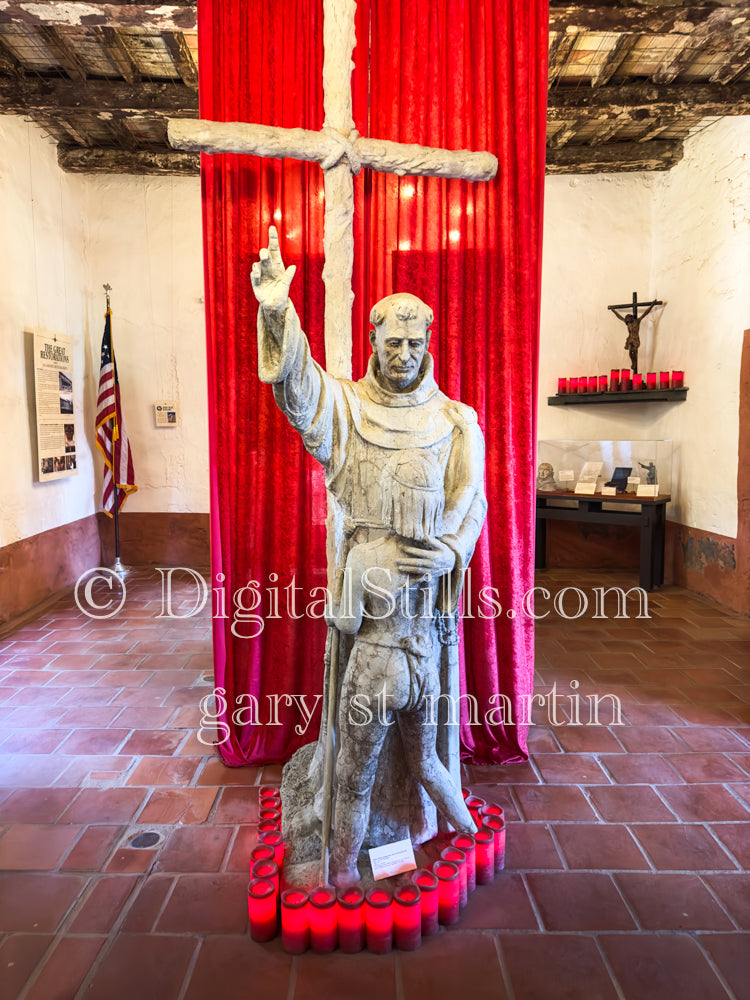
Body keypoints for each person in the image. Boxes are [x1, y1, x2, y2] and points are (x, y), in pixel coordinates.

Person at [250, 226, 486, 871]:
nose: (404, 354)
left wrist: (451, 553)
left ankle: (372, 850)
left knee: (409, 760)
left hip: (423, 615)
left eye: (415, 343)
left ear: (429, 343)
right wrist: (278, 312)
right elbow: (301, 391)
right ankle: (370, 851)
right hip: (383, 627)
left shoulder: (456, 420)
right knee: (364, 764)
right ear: (375, 341)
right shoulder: (348, 407)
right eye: (392, 342)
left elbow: (475, 502)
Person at [329, 449, 477, 885]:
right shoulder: (441, 557)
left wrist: (332, 606)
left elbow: (349, 623)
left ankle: (342, 870)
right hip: (422, 669)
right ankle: (471, 831)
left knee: (354, 777)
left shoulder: (365, 556)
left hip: (376, 670)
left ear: (390, 497)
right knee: (428, 762)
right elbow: (475, 505)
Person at [610, 301, 657, 374]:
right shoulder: (628, 323)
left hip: (635, 340)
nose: (627, 321)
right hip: (630, 339)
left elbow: (645, 313)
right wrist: (613, 311)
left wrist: (652, 305)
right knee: (630, 352)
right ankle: (633, 363)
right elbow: (620, 317)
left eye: (628, 319)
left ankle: (634, 363)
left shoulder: (637, 321)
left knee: (634, 352)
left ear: (631, 317)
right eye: (627, 320)